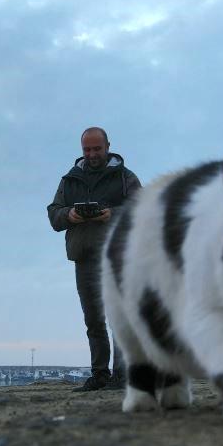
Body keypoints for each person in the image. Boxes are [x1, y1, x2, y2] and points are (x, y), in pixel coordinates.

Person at [48, 127, 141, 391]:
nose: (92, 154)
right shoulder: (70, 180)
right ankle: (99, 374)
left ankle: (121, 377)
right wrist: (69, 215)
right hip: (84, 257)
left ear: (108, 146)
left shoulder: (125, 177)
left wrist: (113, 214)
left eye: (96, 149)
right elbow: (53, 214)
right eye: (87, 149)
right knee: (93, 319)